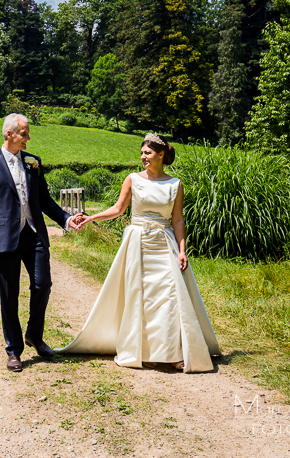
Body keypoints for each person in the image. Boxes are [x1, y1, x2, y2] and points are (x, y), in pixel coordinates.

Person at [60, 133, 219, 372]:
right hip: (138, 241)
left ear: (161, 155)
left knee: (169, 298)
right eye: (142, 153)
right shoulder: (133, 179)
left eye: (148, 153)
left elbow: (177, 220)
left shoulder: (175, 184)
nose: (143, 157)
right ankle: (144, 352)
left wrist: (182, 250)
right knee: (141, 298)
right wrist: (91, 217)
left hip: (164, 244)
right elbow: (118, 208)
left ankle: (173, 352)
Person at [0, 114, 85, 371]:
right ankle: (13, 350)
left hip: (34, 235)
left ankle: (34, 334)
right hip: (4, 239)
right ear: (9, 134)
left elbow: (44, 201)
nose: (28, 137)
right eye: (24, 133)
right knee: (9, 295)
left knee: (43, 284)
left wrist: (67, 220)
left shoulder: (34, 163)